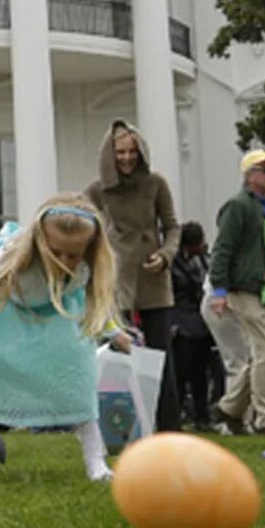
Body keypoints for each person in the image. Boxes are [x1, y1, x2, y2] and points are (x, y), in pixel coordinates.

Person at [0, 194, 131, 481]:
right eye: (55, 252)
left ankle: (96, 462)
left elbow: (93, 304)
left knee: (80, 372)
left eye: (73, 255)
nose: (63, 262)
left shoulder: (85, 270)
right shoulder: (9, 267)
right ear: (38, 241)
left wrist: (115, 333)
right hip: (7, 317)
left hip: (57, 314)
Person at [85, 120, 183, 432]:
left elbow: (172, 226)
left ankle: (169, 428)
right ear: (109, 155)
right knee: (116, 354)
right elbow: (85, 230)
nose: (127, 158)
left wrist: (166, 255)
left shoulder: (155, 183)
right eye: (120, 153)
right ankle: (120, 429)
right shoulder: (95, 190)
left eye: (132, 152)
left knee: (160, 355)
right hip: (116, 278)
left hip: (154, 277)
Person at [207, 149, 265, 437]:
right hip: (244, 288)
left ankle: (229, 408)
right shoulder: (237, 206)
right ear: (250, 175)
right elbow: (223, 249)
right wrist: (219, 290)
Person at [168, 222, 216, 431]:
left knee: (200, 374)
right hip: (181, 321)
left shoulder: (204, 260)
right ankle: (175, 416)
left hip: (200, 320)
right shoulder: (172, 263)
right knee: (180, 372)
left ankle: (202, 416)